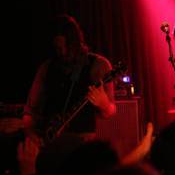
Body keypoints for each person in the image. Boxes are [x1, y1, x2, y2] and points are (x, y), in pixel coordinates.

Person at [23, 14, 116, 142]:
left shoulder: (98, 65)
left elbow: (109, 112)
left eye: (66, 47)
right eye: (58, 48)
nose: (62, 52)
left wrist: (104, 104)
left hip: (82, 144)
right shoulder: (46, 68)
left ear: (76, 43)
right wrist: (31, 136)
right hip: (51, 145)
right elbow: (30, 111)